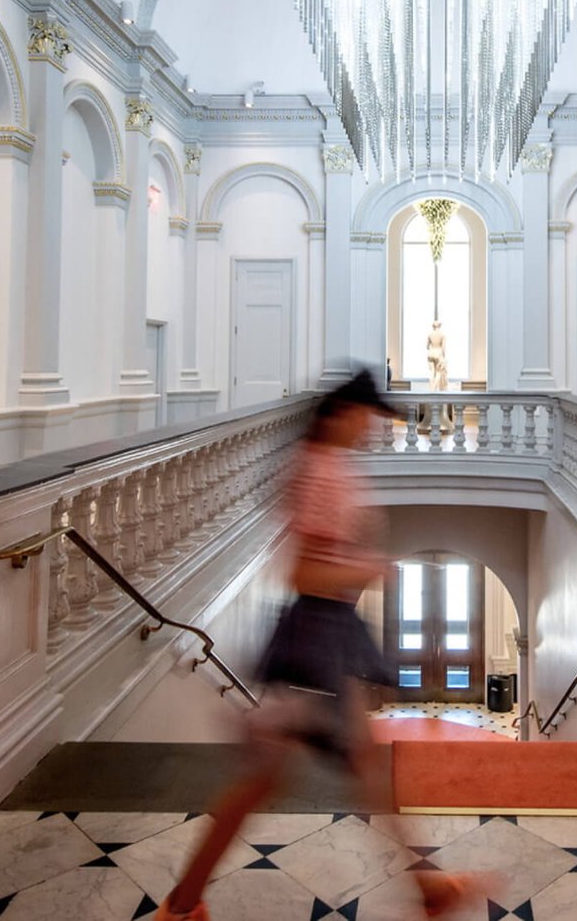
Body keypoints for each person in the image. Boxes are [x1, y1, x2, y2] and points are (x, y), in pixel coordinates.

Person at [155, 370, 487, 921]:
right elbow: (304, 573)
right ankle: (182, 902)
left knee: (346, 771)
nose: (371, 426)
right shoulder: (321, 471)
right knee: (272, 778)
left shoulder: (329, 465)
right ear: (340, 414)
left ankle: (429, 889)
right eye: (365, 415)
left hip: (326, 633)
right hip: (315, 638)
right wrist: (369, 566)